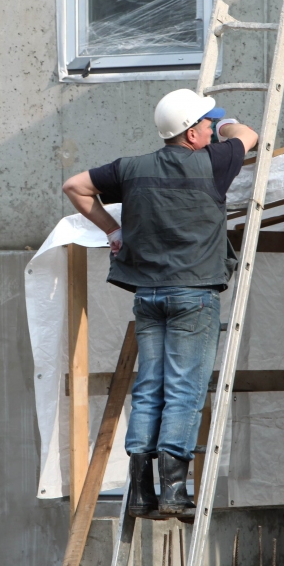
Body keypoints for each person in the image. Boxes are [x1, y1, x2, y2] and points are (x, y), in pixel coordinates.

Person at [61, 89, 258, 517]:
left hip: (148, 296)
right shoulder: (213, 162)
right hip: (194, 296)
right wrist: (224, 127)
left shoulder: (131, 169)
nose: (211, 128)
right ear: (191, 134)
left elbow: (75, 187)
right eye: (206, 123)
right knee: (185, 390)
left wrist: (113, 232)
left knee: (149, 388)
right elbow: (248, 134)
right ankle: (173, 492)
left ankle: (141, 491)